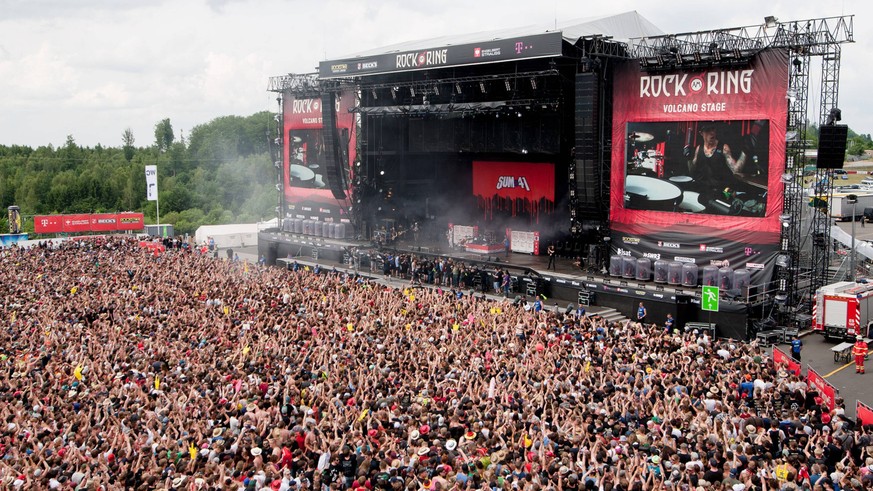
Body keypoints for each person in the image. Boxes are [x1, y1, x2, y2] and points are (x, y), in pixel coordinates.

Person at [686, 123, 747, 191]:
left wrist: (744, 152)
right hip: (701, 190)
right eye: (708, 130)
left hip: (718, 191)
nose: (712, 133)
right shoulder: (698, 148)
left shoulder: (723, 148)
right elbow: (692, 171)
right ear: (701, 133)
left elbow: (736, 170)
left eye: (713, 129)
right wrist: (689, 158)